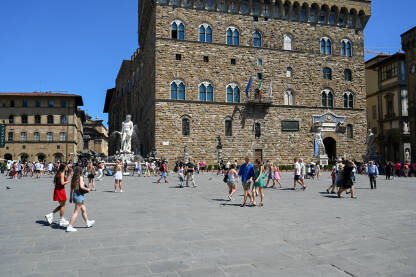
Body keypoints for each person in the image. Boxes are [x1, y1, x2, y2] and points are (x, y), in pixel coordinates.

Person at [66, 166, 95, 232]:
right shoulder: (80, 177)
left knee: (83, 209)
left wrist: (70, 197)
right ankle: (69, 226)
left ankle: (88, 222)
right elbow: (81, 187)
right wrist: (87, 189)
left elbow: (71, 188)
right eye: (82, 170)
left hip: (75, 194)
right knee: (76, 212)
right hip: (79, 195)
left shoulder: (73, 177)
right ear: (80, 171)